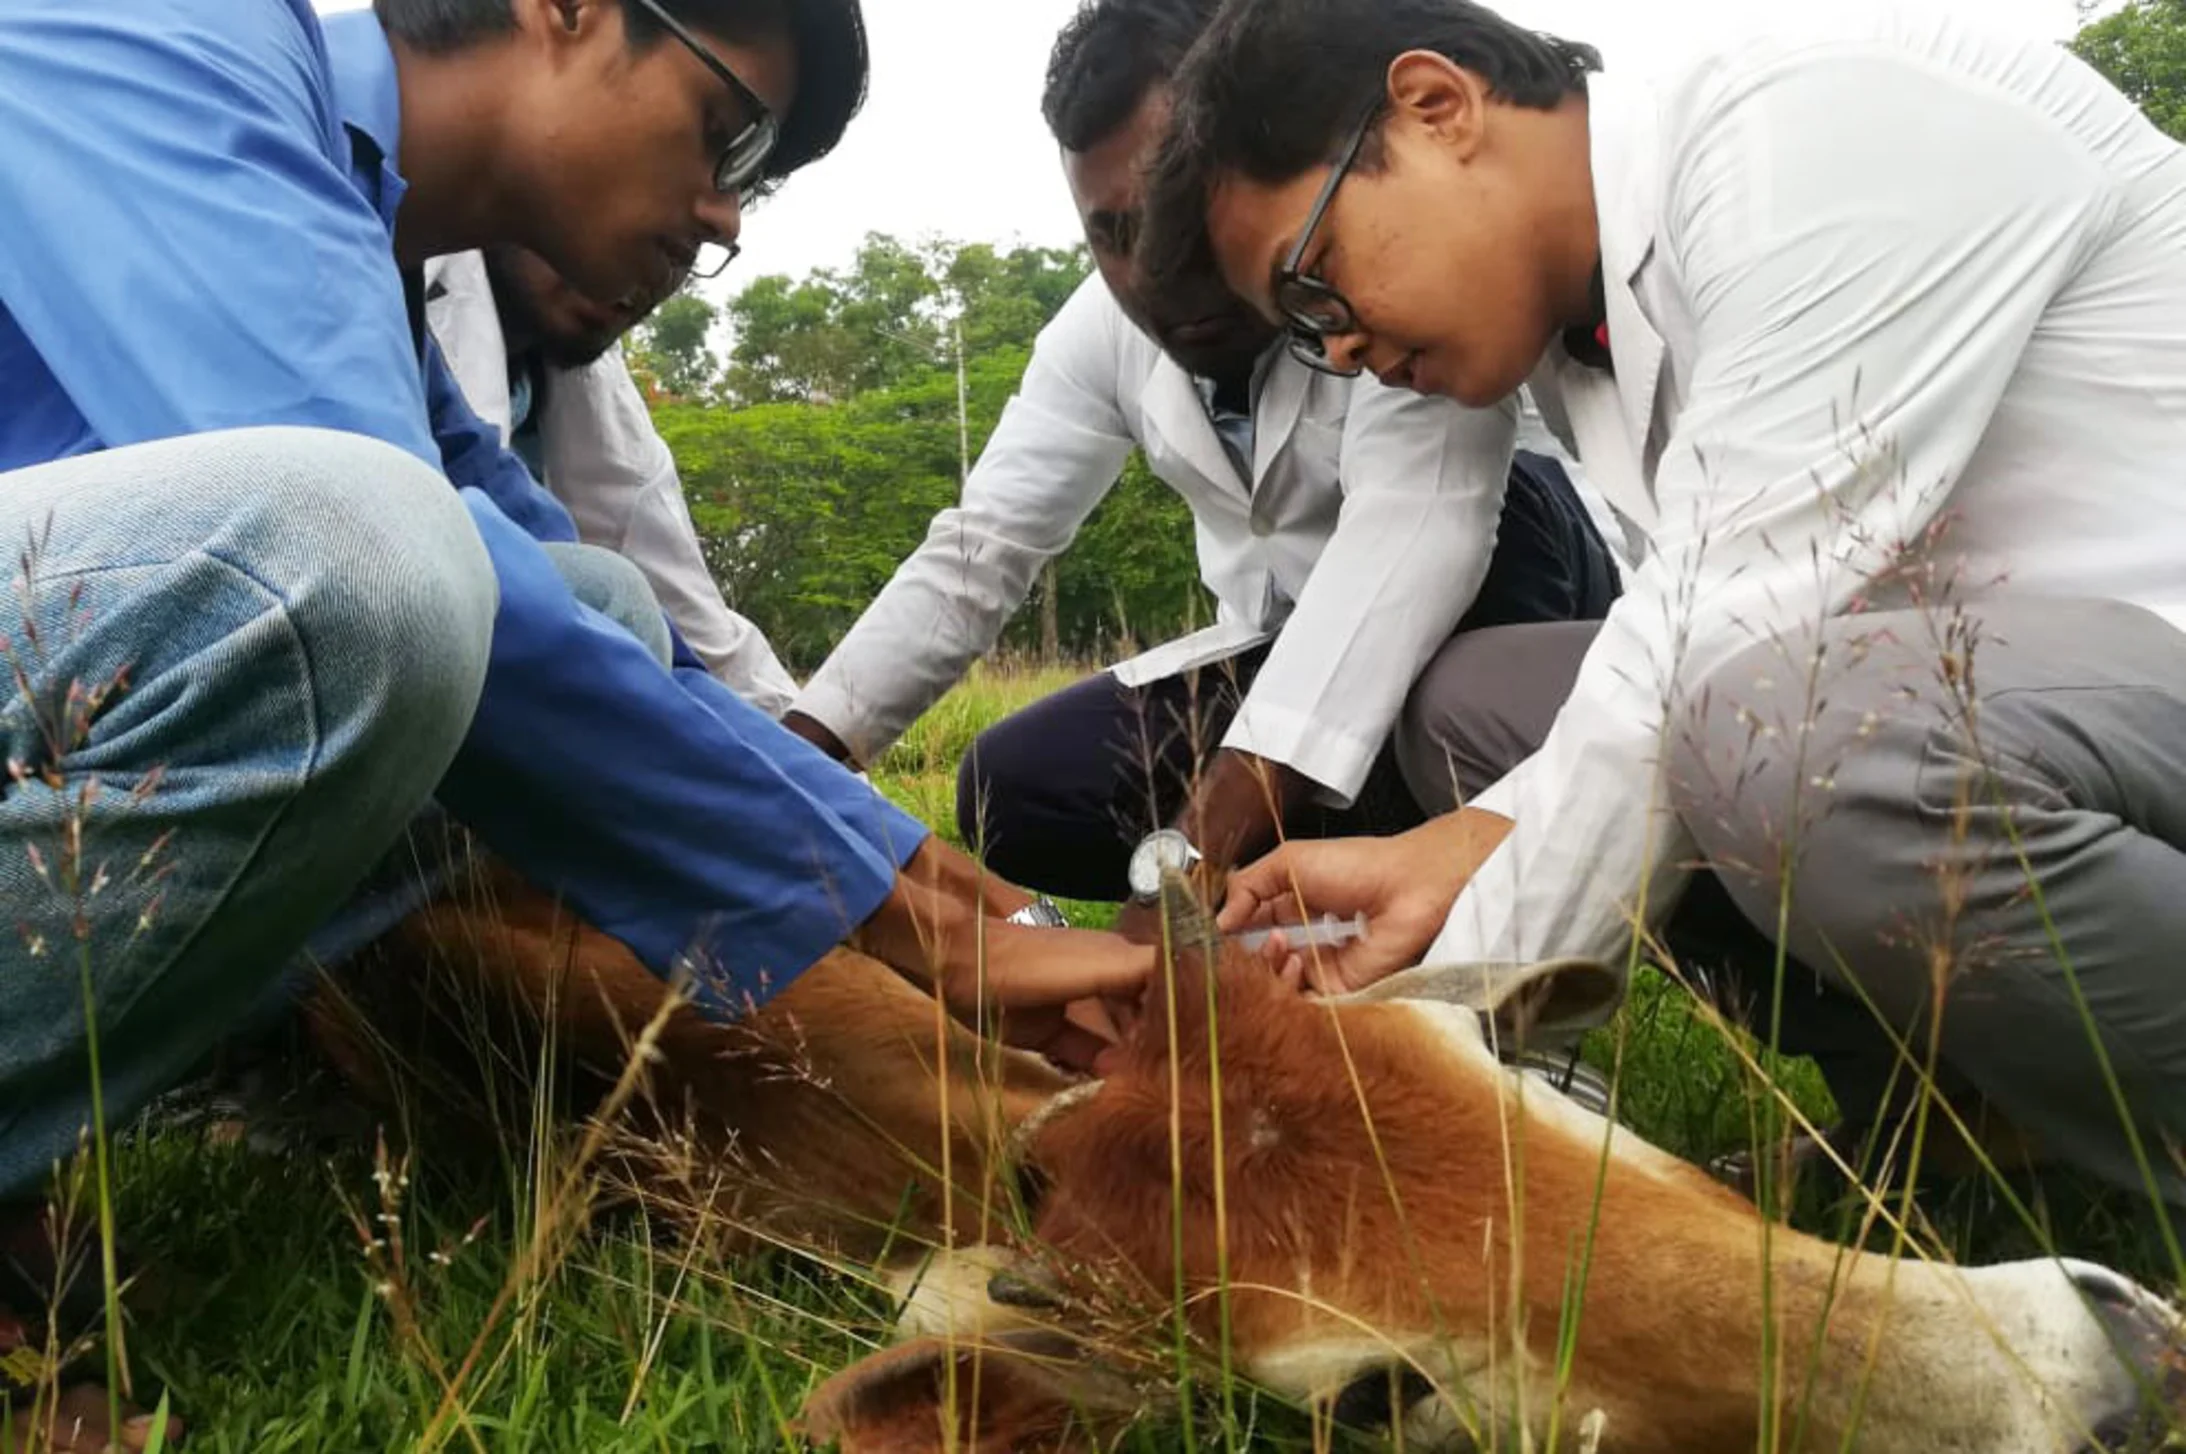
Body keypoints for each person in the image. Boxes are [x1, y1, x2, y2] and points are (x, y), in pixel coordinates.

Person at [0, 0, 1146, 1441]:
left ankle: (212, 1066)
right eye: (727, 132)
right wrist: (900, 928)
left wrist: (939, 894)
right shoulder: (147, 43)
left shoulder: (349, 219)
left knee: (587, 597)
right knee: (372, 558)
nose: (726, 215)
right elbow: (412, 561)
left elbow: (560, 604)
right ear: (565, 10)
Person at [1144, 0, 2186, 1201]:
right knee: (1482, 707)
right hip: (2023, 706)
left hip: (2143, 647)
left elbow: (1708, 646)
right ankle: (1960, 1115)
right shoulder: (1594, 316)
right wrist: (1459, 854)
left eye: (1313, 288)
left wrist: (1399, 1062)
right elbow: (1684, 649)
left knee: (1786, 743)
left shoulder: (1807, 135)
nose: (1337, 354)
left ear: (1435, 107)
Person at [782, 0, 1619, 935]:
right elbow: (980, 553)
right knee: (1013, 786)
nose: (1156, 268)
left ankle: (1462, 918)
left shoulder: (1383, 280)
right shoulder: (1092, 339)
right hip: (1283, 649)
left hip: (1506, 605)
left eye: (1180, 206)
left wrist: (1186, 873)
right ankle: (1313, 892)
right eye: (1113, 232)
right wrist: (792, 761)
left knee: (1452, 656)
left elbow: (1415, 536)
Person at [427, 246, 800, 714]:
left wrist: (809, 748)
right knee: (605, 597)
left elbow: (695, 628)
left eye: (690, 251)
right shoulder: (393, 290)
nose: (724, 221)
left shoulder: (580, 366)